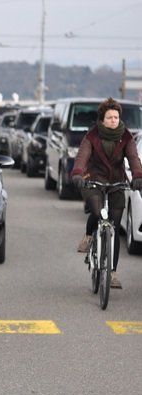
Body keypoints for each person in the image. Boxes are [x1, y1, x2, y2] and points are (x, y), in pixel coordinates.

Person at [71, 97, 142, 289]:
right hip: (93, 179)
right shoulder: (92, 136)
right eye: (110, 117)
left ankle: (112, 272)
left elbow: (134, 158)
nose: (113, 120)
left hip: (117, 182)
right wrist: (77, 173)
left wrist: (137, 176)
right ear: (102, 119)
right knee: (96, 212)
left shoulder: (126, 136)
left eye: (116, 117)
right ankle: (88, 236)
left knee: (115, 226)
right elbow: (82, 156)